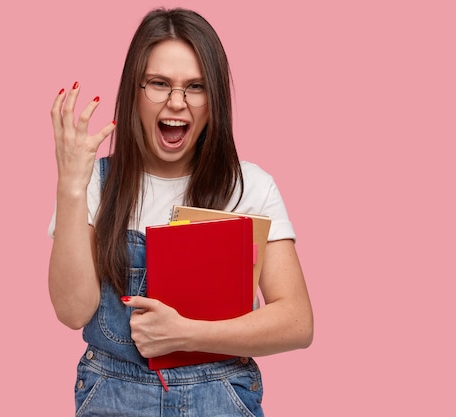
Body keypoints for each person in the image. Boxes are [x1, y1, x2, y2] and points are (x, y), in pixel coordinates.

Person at [47, 7, 313, 416]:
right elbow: (72, 311)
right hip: (113, 398)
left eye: (196, 87)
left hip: (221, 397)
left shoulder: (249, 186)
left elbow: (296, 322)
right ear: (134, 90)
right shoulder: (96, 183)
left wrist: (185, 333)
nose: (177, 102)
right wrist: (70, 186)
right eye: (159, 83)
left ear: (215, 99)